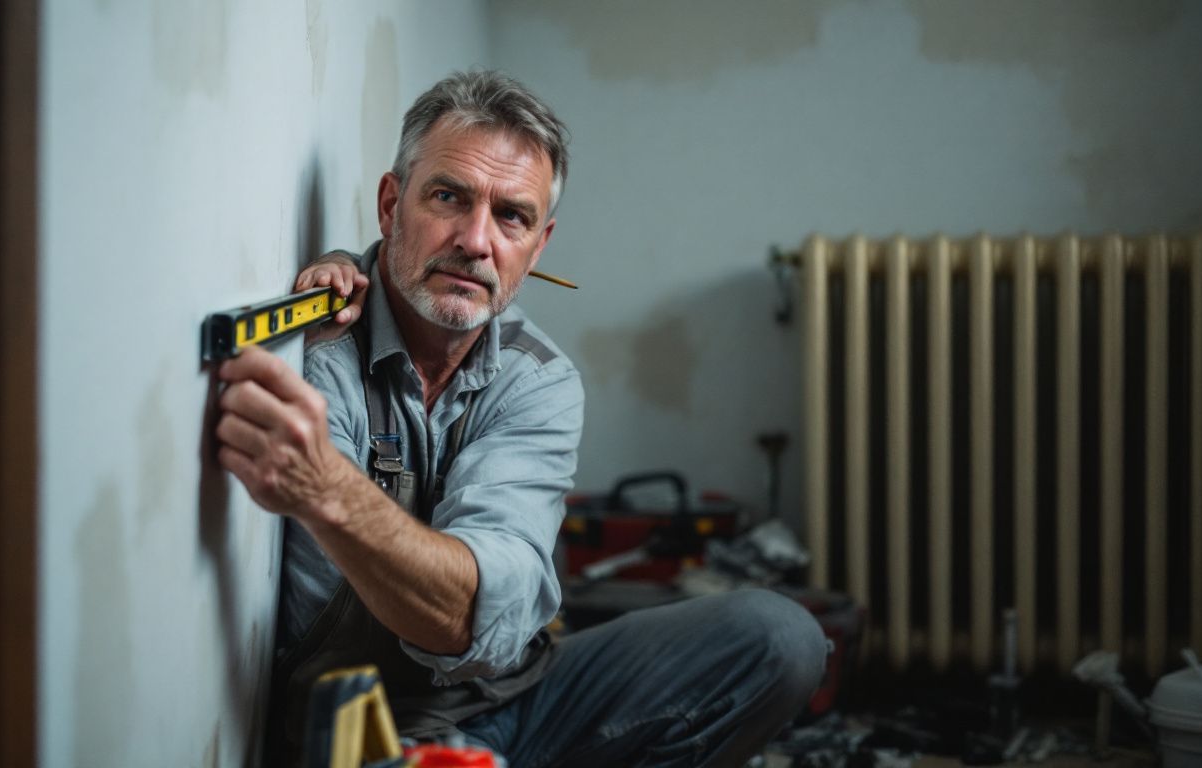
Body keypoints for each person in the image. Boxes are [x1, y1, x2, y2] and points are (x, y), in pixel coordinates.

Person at [215, 69, 827, 768]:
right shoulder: (324, 343)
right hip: (370, 727)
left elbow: (476, 618)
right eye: (449, 197)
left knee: (778, 638)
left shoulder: (539, 379)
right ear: (391, 205)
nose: (477, 241)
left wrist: (327, 487)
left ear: (538, 247)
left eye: (512, 216)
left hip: (517, 697)